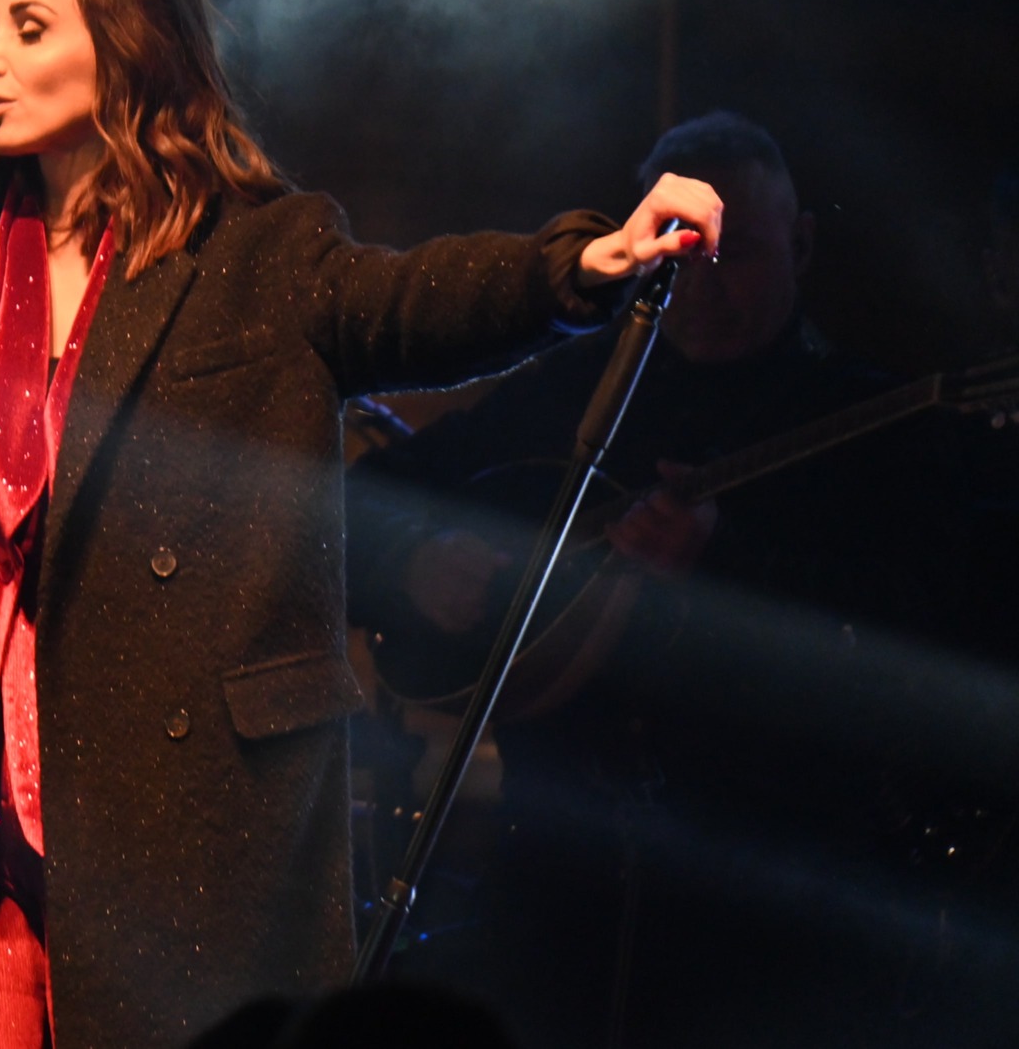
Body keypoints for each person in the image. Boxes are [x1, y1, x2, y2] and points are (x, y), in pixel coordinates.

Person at [0, 0, 721, 1049]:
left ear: (127, 49)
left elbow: (410, 303)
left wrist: (589, 262)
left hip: (156, 795)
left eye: (28, 27)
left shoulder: (253, 255)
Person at [346, 113, 998, 1047]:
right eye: (682, 259)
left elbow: (920, 643)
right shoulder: (573, 388)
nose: (704, 288)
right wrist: (412, 558)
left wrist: (724, 562)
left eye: (741, 255)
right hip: (551, 892)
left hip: (770, 916)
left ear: (802, 244)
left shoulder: (879, 420)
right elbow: (359, 504)